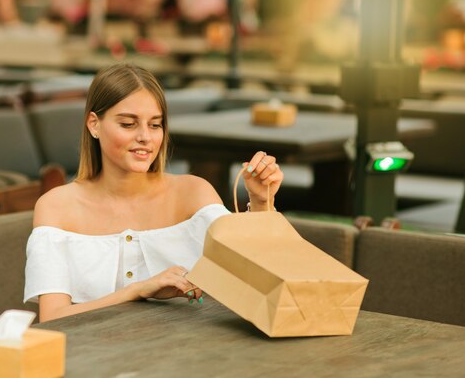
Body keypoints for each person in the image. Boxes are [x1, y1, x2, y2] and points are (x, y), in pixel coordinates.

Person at [24, 63, 284, 322]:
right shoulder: (56, 206)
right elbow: (53, 319)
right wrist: (137, 290)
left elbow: (259, 280)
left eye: (155, 125)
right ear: (94, 125)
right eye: (128, 124)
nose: (145, 137)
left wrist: (262, 202)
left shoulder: (194, 193)